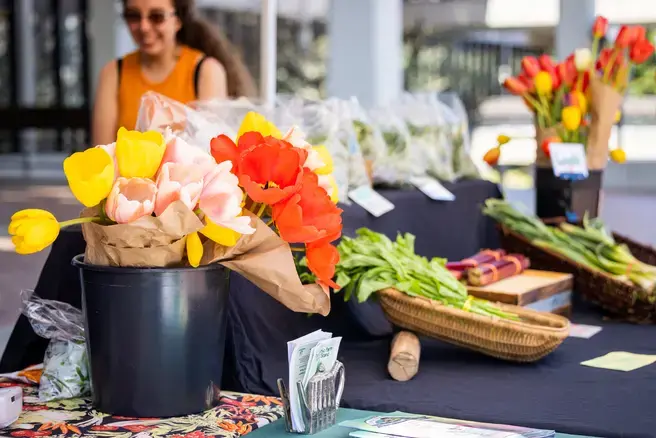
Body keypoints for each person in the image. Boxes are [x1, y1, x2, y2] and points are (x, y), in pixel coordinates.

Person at [92, 0, 256, 145]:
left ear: (178, 20)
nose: (144, 26)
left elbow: (209, 151)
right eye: (133, 16)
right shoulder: (113, 73)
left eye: (157, 16)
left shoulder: (206, 71)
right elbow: (102, 156)